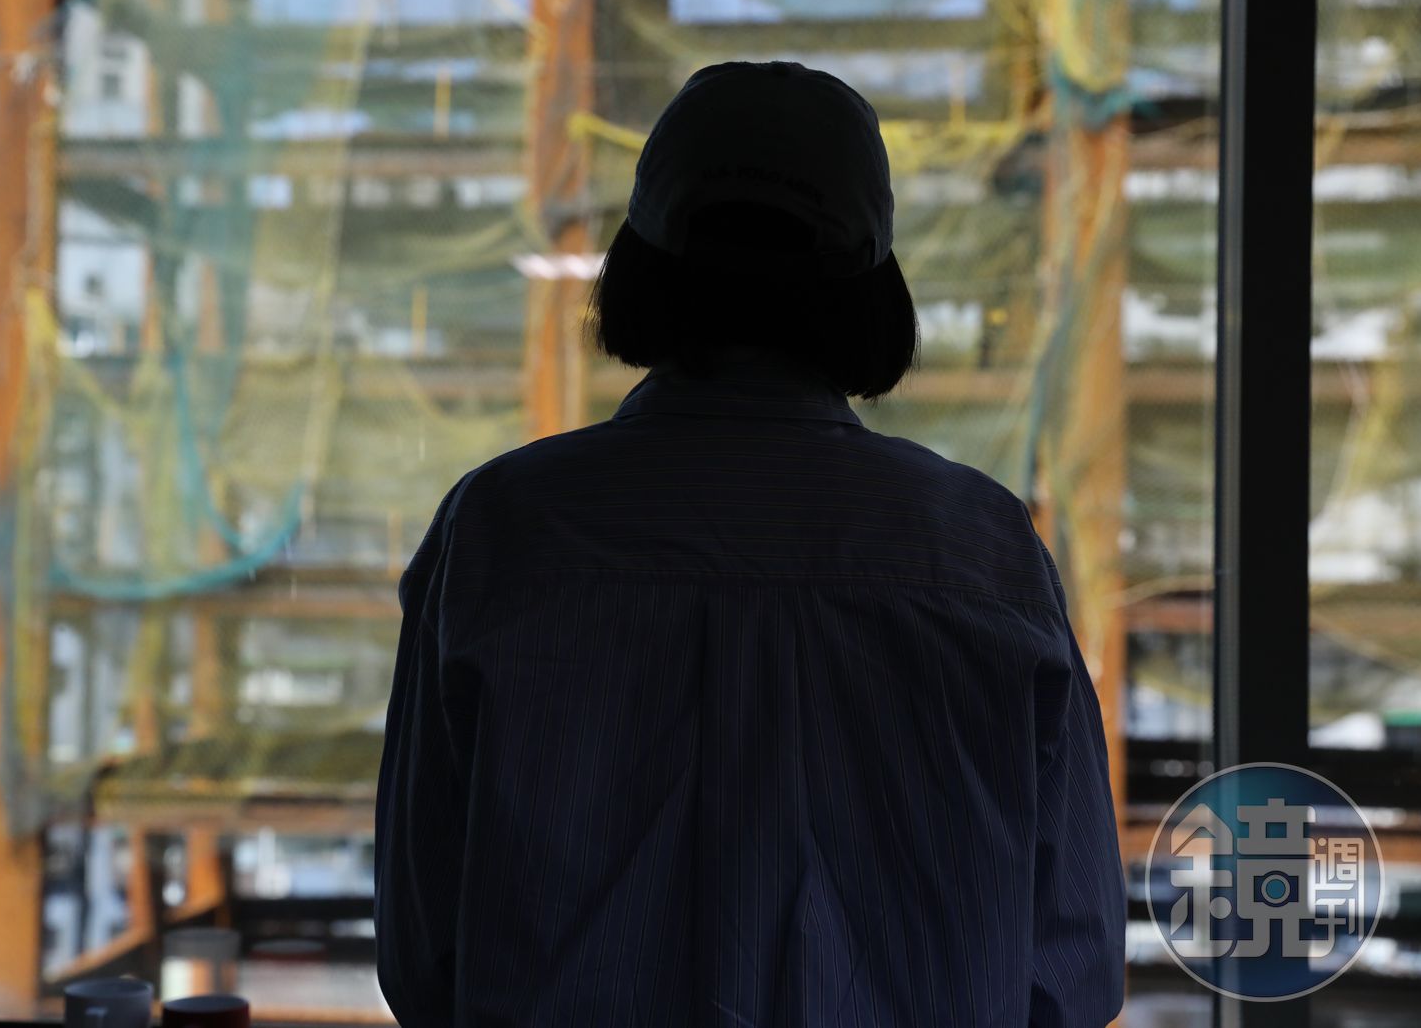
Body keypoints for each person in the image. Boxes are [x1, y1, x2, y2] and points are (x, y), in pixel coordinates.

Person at [374, 60, 1126, 1028]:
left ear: (640, 267)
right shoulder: (982, 549)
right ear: (872, 289)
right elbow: (1071, 968)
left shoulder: (504, 529)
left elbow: (426, 950)